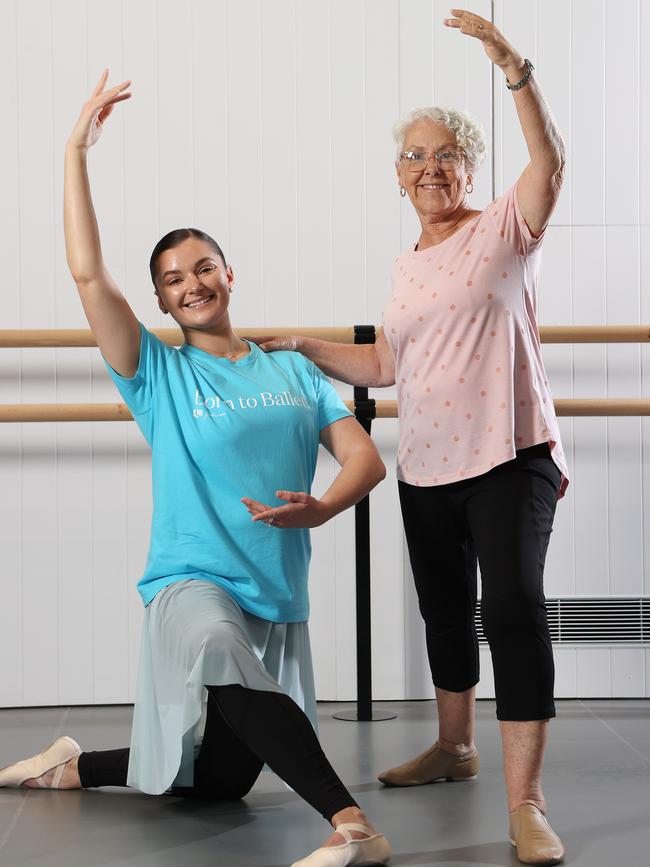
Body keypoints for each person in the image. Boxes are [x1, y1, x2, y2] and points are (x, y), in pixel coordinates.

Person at [0, 71, 392, 867]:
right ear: (162, 300)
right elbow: (86, 273)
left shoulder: (293, 370)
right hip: (190, 581)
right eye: (173, 279)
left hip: (273, 588)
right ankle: (353, 825)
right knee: (215, 649)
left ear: (229, 273)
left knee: (215, 780)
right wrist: (76, 149)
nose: (192, 284)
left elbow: (363, 460)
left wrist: (319, 509)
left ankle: (74, 763)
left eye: (204, 266)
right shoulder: (155, 372)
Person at [253, 9, 567, 865]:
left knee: (510, 607)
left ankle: (527, 803)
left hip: (510, 453)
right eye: (415, 156)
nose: (431, 167)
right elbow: (387, 360)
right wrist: (298, 345)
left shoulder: (504, 227)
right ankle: (455, 746)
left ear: (470, 167)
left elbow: (551, 162)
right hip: (428, 462)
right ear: (398, 177)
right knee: (442, 611)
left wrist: (514, 68)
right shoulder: (405, 264)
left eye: (446, 154)